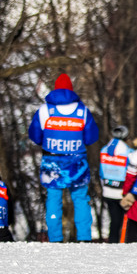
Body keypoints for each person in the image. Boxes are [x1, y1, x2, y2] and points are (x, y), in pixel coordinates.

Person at [28, 73, 100, 242]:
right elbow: (91, 138)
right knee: (81, 199)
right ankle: (84, 237)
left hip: (52, 161)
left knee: (53, 198)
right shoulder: (82, 111)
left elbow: (35, 135)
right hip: (77, 162)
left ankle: (55, 238)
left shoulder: (45, 110)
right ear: (71, 90)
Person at [98, 125, 132, 242]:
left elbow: (101, 173)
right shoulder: (128, 152)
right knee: (125, 221)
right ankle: (124, 242)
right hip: (122, 191)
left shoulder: (104, 150)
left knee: (114, 220)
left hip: (107, 189)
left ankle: (113, 242)